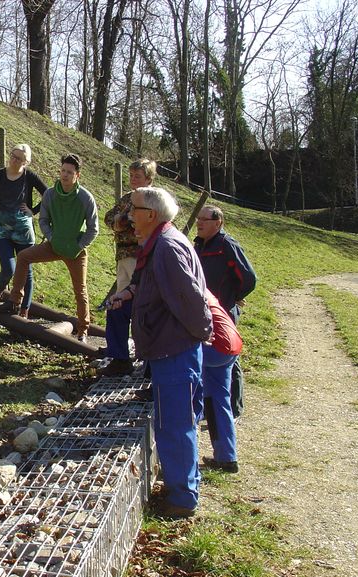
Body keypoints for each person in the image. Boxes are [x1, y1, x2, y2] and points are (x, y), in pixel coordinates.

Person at [108, 186, 212, 518]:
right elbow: (154, 282)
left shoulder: (166, 248)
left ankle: (181, 499)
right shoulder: (159, 243)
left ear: (151, 215)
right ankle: (183, 483)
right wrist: (130, 294)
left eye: (133, 211)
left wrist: (202, 334)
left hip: (174, 351)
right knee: (178, 421)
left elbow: (191, 299)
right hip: (173, 349)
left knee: (174, 424)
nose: (127, 218)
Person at [0, 154, 99, 342]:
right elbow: (43, 220)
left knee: (80, 289)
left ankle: (83, 329)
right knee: (24, 257)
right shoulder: (51, 193)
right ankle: (14, 301)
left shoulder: (85, 197)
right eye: (63, 171)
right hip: (54, 245)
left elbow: (94, 228)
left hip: (75, 251)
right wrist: (52, 238)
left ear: (77, 176)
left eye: (70, 172)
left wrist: (79, 245)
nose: (65, 175)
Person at [193, 205, 257, 419]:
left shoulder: (227, 245)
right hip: (204, 310)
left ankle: (234, 408)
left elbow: (249, 278)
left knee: (229, 356)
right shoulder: (199, 244)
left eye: (205, 219)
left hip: (224, 310)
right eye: (198, 219)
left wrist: (234, 298)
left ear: (218, 222)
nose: (199, 223)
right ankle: (209, 407)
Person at [99, 158, 156, 376]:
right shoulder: (127, 199)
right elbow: (110, 218)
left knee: (143, 307)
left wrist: (126, 224)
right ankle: (121, 357)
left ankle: (150, 360)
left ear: (149, 179)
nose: (132, 179)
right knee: (120, 304)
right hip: (123, 257)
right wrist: (122, 220)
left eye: (137, 176)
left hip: (141, 258)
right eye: (131, 175)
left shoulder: (153, 200)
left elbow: (143, 225)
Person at [0, 143, 47, 318]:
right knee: (8, 268)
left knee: (26, 271)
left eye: (19, 158)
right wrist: (1, 216)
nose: (14, 160)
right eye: (13, 155)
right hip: (2, 229)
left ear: (25, 162)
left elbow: (48, 194)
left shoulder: (29, 177)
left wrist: (33, 211)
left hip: (23, 231)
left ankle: (24, 309)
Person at [200, 289, 242, 473]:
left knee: (189, 397)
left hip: (214, 345)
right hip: (231, 343)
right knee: (219, 400)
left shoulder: (181, 287)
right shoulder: (203, 287)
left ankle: (186, 463)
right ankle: (227, 458)